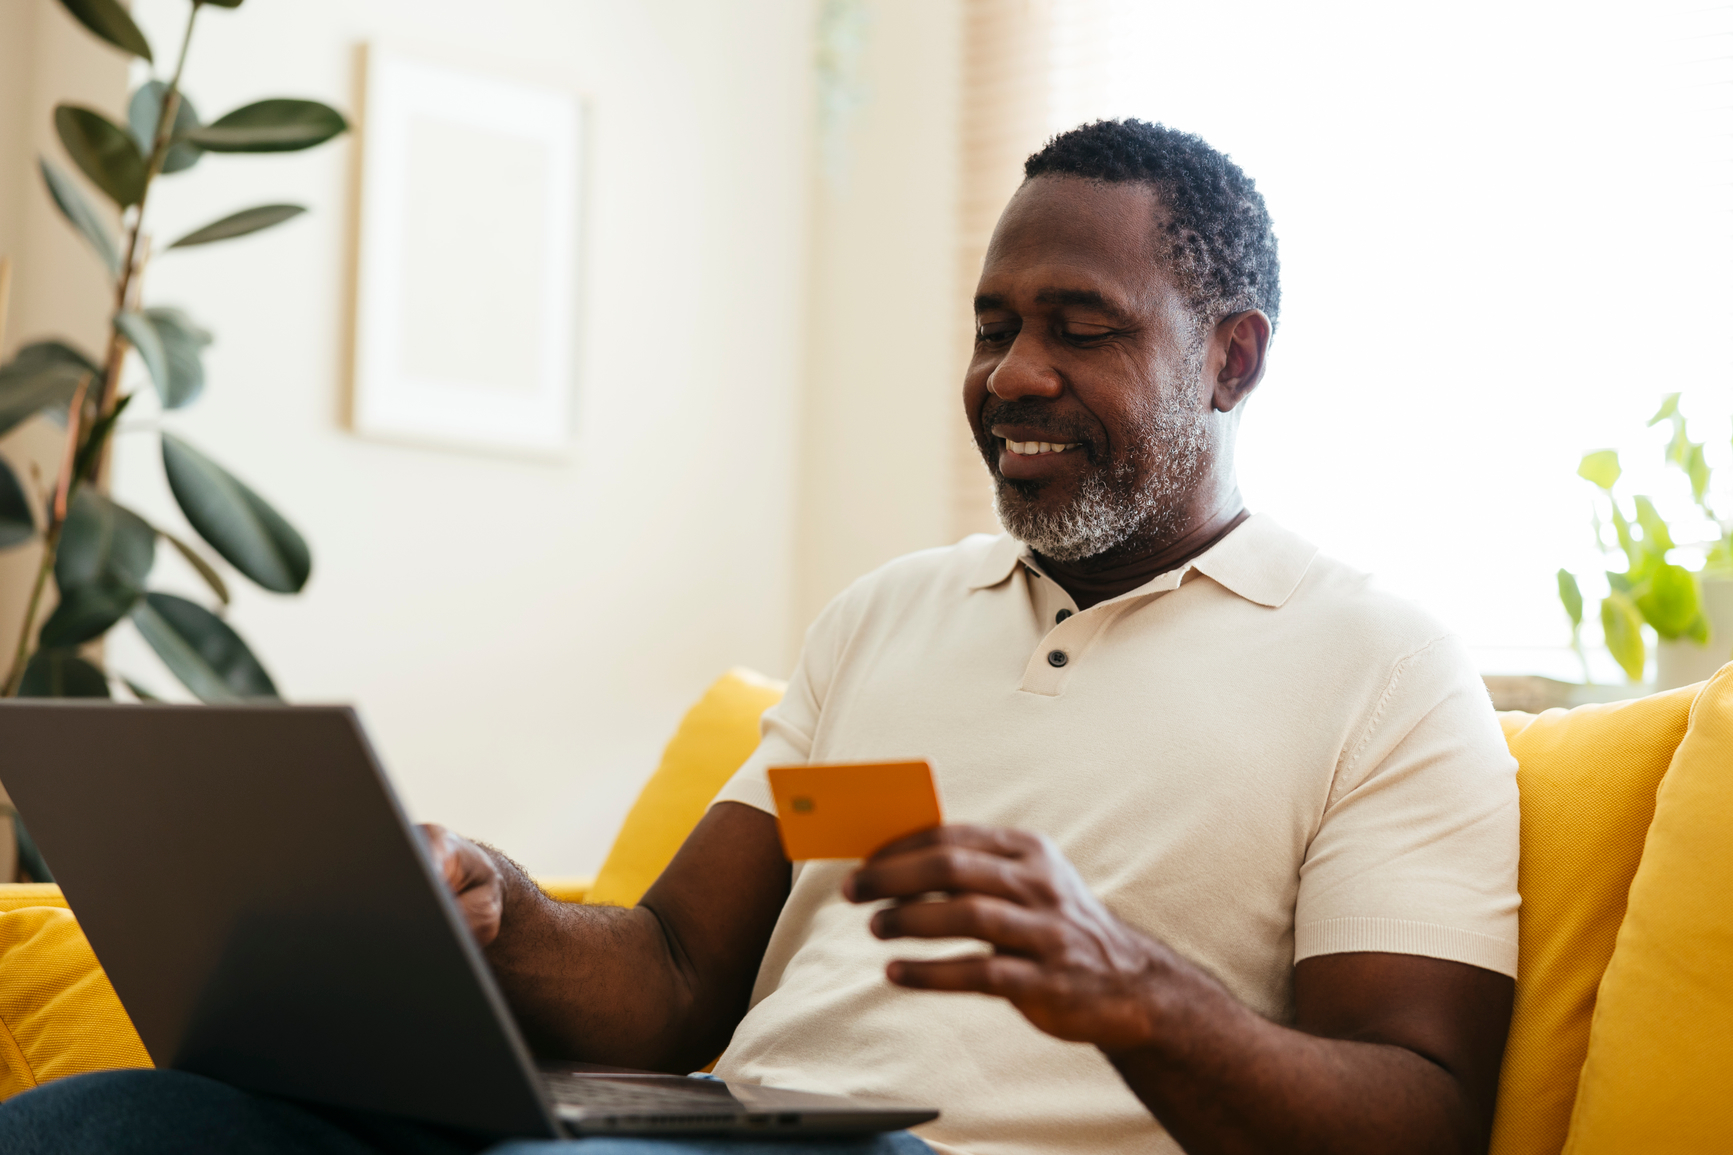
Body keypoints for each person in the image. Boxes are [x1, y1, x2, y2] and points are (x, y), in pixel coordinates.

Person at [0, 119, 1518, 1155]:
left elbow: (1422, 1109)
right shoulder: (888, 624)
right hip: (718, 1134)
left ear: (1232, 357)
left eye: (1082, 325)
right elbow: (672, 973)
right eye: (993, 325)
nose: (1012, 374)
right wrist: (496, 909)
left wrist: (1132, 986)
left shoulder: (1377, 669)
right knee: (115, 1127)